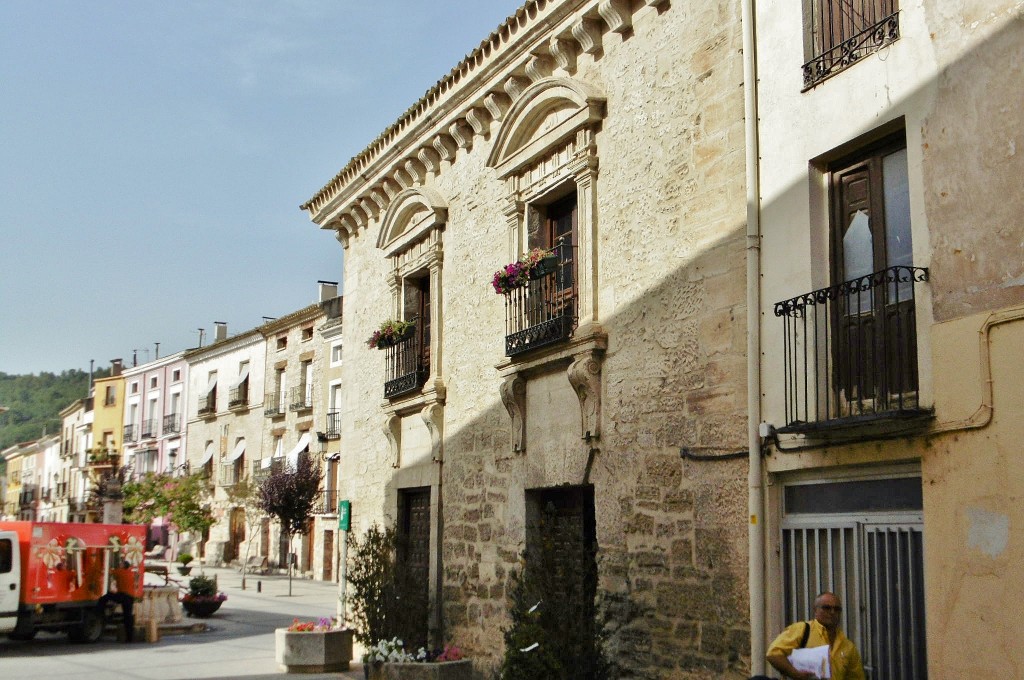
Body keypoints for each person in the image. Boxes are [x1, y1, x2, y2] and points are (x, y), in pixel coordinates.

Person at [766, 591, 864, 680]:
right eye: (826, 608)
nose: (832, 612)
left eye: (837, 609)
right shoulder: (802, 630)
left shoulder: (847, 646)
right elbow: (773, 654)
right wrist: (795, 674)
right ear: (815, 610)